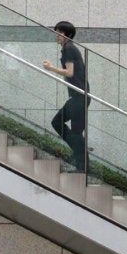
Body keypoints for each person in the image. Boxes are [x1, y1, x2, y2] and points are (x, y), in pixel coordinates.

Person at [42, 20, 89, 173]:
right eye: (56, 31)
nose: (57, 35)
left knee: (57, 122)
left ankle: (80, 153)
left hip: (79, 96)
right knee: (75, 132)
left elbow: (69, 72)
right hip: (80, 95)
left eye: (60, 32)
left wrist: (50, 68)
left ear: (67, 35)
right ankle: (81, 157)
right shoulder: (68, 49)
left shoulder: (69, 48)